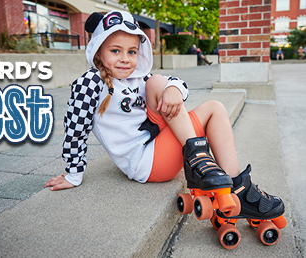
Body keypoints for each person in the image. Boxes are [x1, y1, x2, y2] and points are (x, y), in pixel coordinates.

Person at [44, 11, 284, 221]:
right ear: (98, 52)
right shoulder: (91, 82)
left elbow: (180, 85)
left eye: (132, 51)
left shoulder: (139, 78)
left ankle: (214, 170)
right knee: (211, 108)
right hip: (146, 162)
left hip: (157, 141)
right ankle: (235, 187)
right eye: (115, 50)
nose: (125, 58)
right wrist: (74, 174)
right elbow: (75, 128)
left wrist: (173, 90)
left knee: (164, 84)